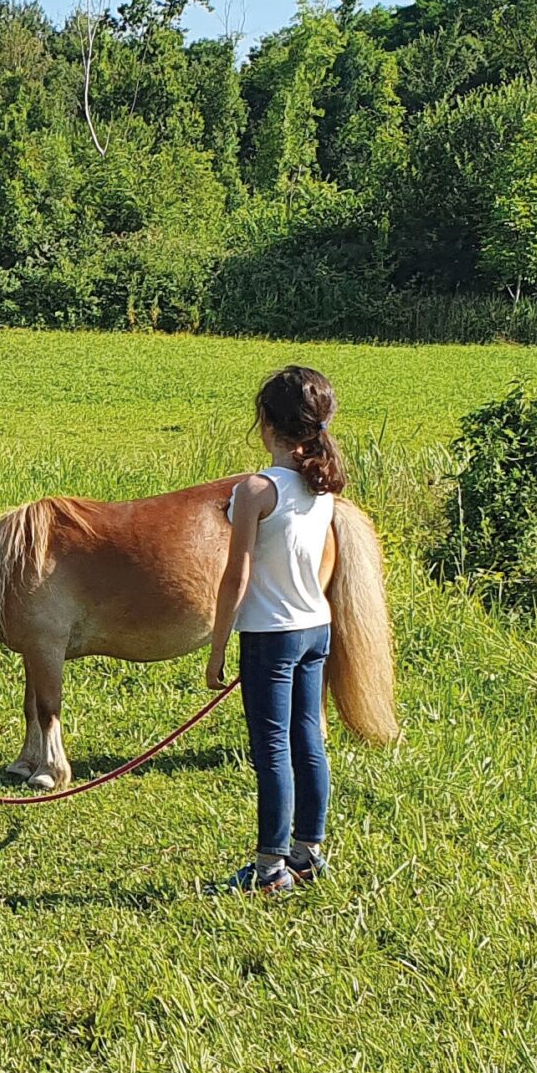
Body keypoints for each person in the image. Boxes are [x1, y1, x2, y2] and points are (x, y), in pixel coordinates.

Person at [204, 364, 348, 895]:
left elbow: (236, 573)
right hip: (316, 628)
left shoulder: (256, 489)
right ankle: (309, 854)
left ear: (265, 422)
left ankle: (269, 870)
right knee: (308, 740)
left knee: (271, 749)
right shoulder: (323, 484)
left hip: (271, 635)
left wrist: (217, 650)